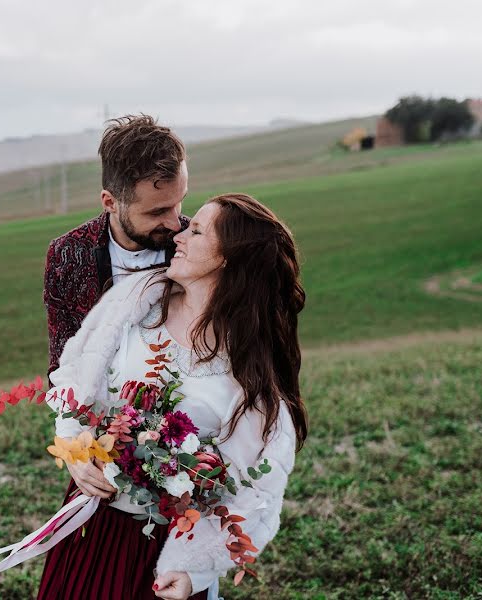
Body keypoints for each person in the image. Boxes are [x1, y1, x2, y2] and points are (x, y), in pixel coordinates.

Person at [36, 193, 309, 600]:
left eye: (197, 230)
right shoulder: (134, 303)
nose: (180, 234)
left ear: (227, 258)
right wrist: (75, 450)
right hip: (93, 526)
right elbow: (76, 377)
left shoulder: (247, 372)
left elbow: (253, 493)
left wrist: (195, 572)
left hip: (169, 555)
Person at [44, 114, 190, 378]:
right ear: (110, 202)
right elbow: (62, 368)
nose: (175, 223)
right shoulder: (66, 255)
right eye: (157, 212)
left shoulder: (201, 244)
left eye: (178, 203)